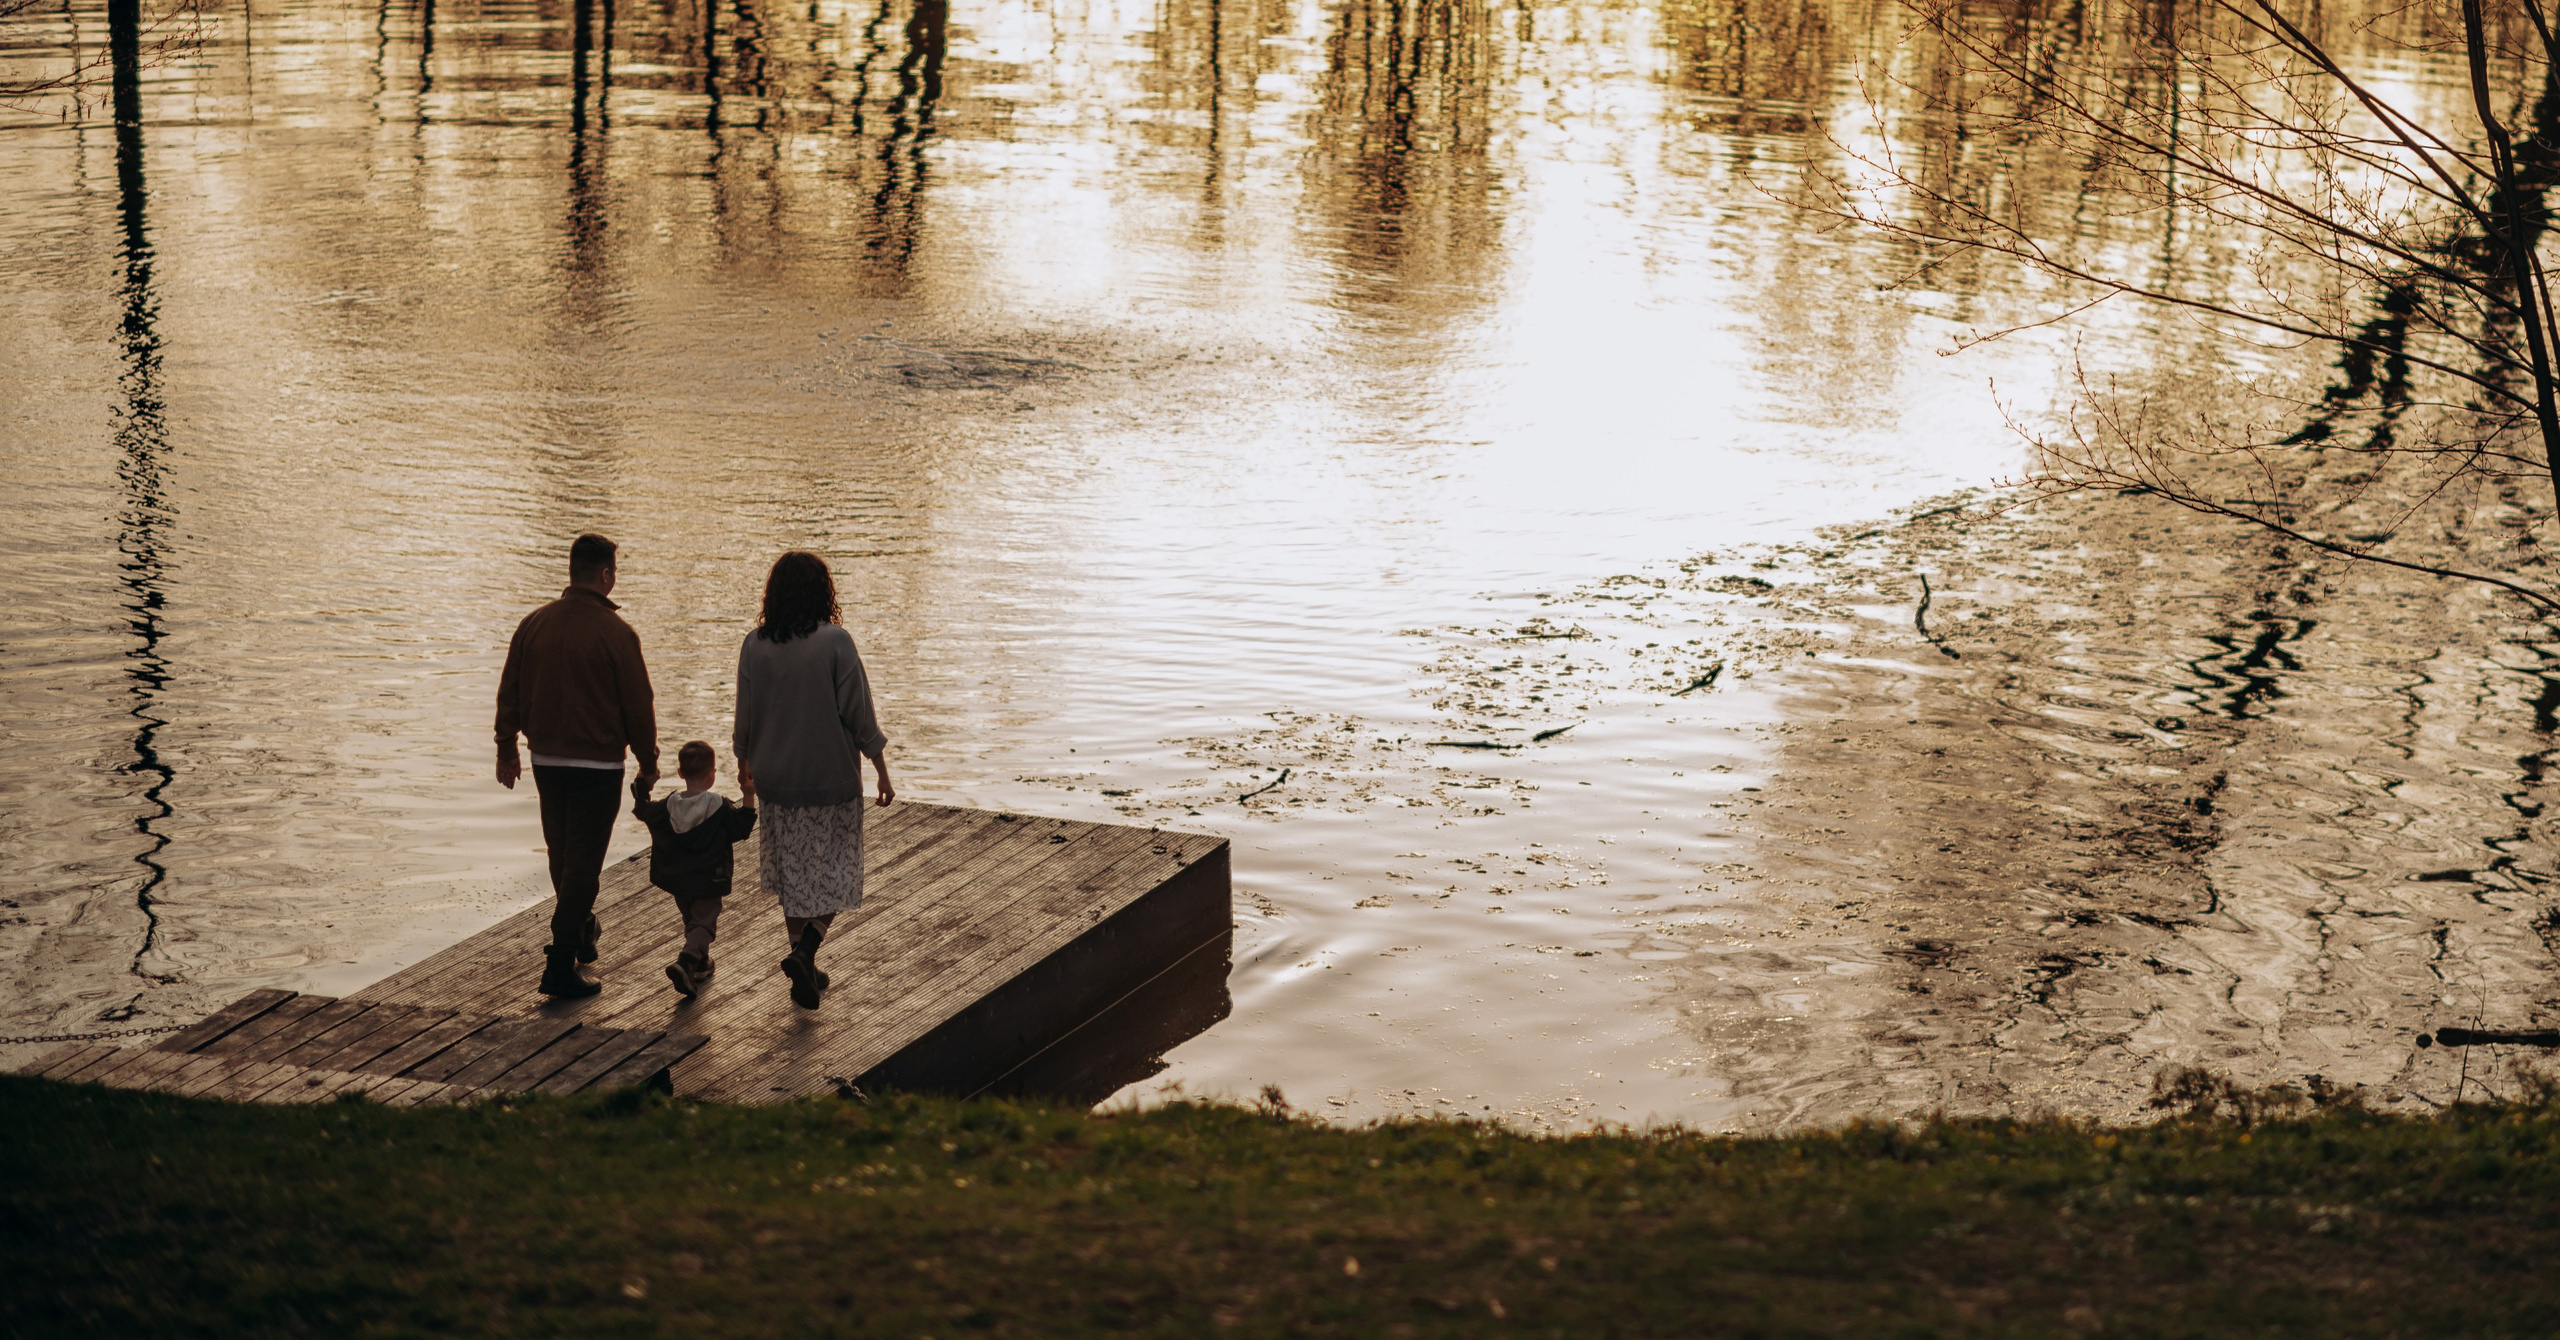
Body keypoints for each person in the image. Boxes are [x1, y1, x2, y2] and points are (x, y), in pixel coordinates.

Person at [494, 532, 660, 999]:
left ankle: (581, 925)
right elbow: (638, 706)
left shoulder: (534, 624)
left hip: (545, 759)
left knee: (562, 854)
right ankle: (560, 963)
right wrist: (648, 763)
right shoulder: (618, 635)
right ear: (606, 575)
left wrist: (507, 747)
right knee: (583, 864)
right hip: (598, 766)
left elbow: (510, 688)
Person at [732, 551, 894, 1010]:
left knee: (793, 874)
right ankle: (806, 951)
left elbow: (745, 715)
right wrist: (881, 770)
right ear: (823, 593)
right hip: (830, 781)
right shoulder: (835, 642)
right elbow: (860, 715)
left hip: (776, 783)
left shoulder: (754, 644)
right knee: (838, 870)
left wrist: (743, 764)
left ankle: (802, 962)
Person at [631, 741, 758, 997]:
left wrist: (643, 784)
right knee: (704, 924)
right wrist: (748, 795)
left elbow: (644, 810)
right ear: (712, 774)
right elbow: (741, 829)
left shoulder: (668, 806)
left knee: (692, 920)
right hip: (708, 880)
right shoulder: (719, 807)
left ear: (680, 773)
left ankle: (700, 964)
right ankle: (686, 961)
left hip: (678, 881)